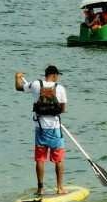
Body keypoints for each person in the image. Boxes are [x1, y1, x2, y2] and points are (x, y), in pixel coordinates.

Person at [15, 66, 68, 195]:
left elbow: (19, 87)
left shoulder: (35, 85)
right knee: (59, 160)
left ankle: (40, 188)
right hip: (55, 129)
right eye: (57, 75)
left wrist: (17, 77)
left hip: (40, 128)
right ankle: (60, 188)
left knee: (40, 159)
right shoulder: (60, 88)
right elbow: (63, 109)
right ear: (54, 75)